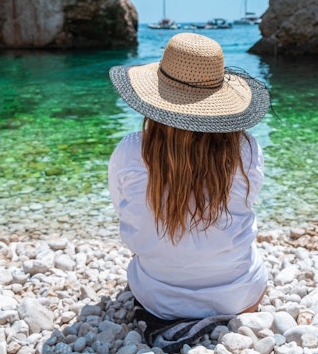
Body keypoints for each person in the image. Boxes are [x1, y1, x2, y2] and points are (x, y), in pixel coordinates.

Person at [107, 32, 271, 323]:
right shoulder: (246, 149)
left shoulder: (131, 150)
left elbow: (124, 210)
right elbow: (248, 203)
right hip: (238, 296)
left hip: (157, 298)